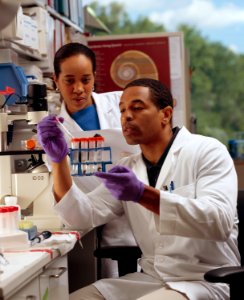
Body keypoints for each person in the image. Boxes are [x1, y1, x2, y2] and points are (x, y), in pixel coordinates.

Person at [37, 78, 240, 300]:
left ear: (166, 114)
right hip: (152, 279)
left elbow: (219, 222)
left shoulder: (207, 151)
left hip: (204, 281)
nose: (126, 116)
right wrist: (58, 162)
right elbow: (81, 216)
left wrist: (143, 194)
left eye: (137, 108)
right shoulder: (128, 168)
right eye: (122, 110)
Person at [51, 42, 137, 277]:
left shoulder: (121, 104)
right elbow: (60, 183)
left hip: (139, 205)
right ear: (56, 80)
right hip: (97, 217)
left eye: (86, 80)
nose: (79, 88)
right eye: (69, 80)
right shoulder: (55, 131)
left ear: (94, 77)